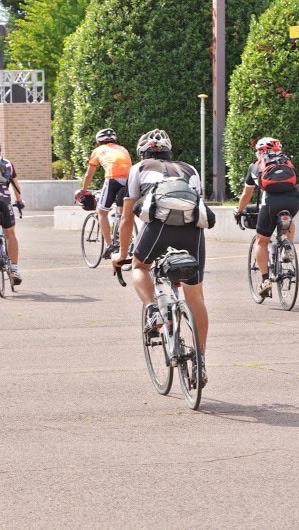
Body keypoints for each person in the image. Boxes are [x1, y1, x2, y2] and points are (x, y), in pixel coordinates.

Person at [111, 128, 209, 385]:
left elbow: (126, 216)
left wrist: (121, 254)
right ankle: (200, 361)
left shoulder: (139, 168)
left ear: (143, 152)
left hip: (159, 227)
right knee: (195, 295)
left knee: (140, 266)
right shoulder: (190, 169)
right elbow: (198, 201)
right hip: (193, 230)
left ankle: (154, 309)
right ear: (169, 152)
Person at [234, 137, 299, 297]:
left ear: (261, 151)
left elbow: (246, 194)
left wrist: (239, 211)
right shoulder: (287, 162)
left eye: (257, 150)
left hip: (270, 203)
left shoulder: (256, 167)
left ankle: (265, 280)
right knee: (288, 221)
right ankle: (287, 250)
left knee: (261, 241)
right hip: (293, 201)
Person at [75, 128, 132, 258]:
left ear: (98, 141)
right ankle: (126, 238)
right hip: (129, 180)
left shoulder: (98, 150)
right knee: (123, 214)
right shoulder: (123, 149)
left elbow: (89, 173)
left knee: (101, 212)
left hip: (113, 178)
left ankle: (110, 245)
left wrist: (84, 189)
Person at [0, 146, 25, 285]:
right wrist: (19, 201)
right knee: (10, 234)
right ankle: (14, 269)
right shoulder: (7, 164)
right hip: (4, 201)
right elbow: (15, 185)